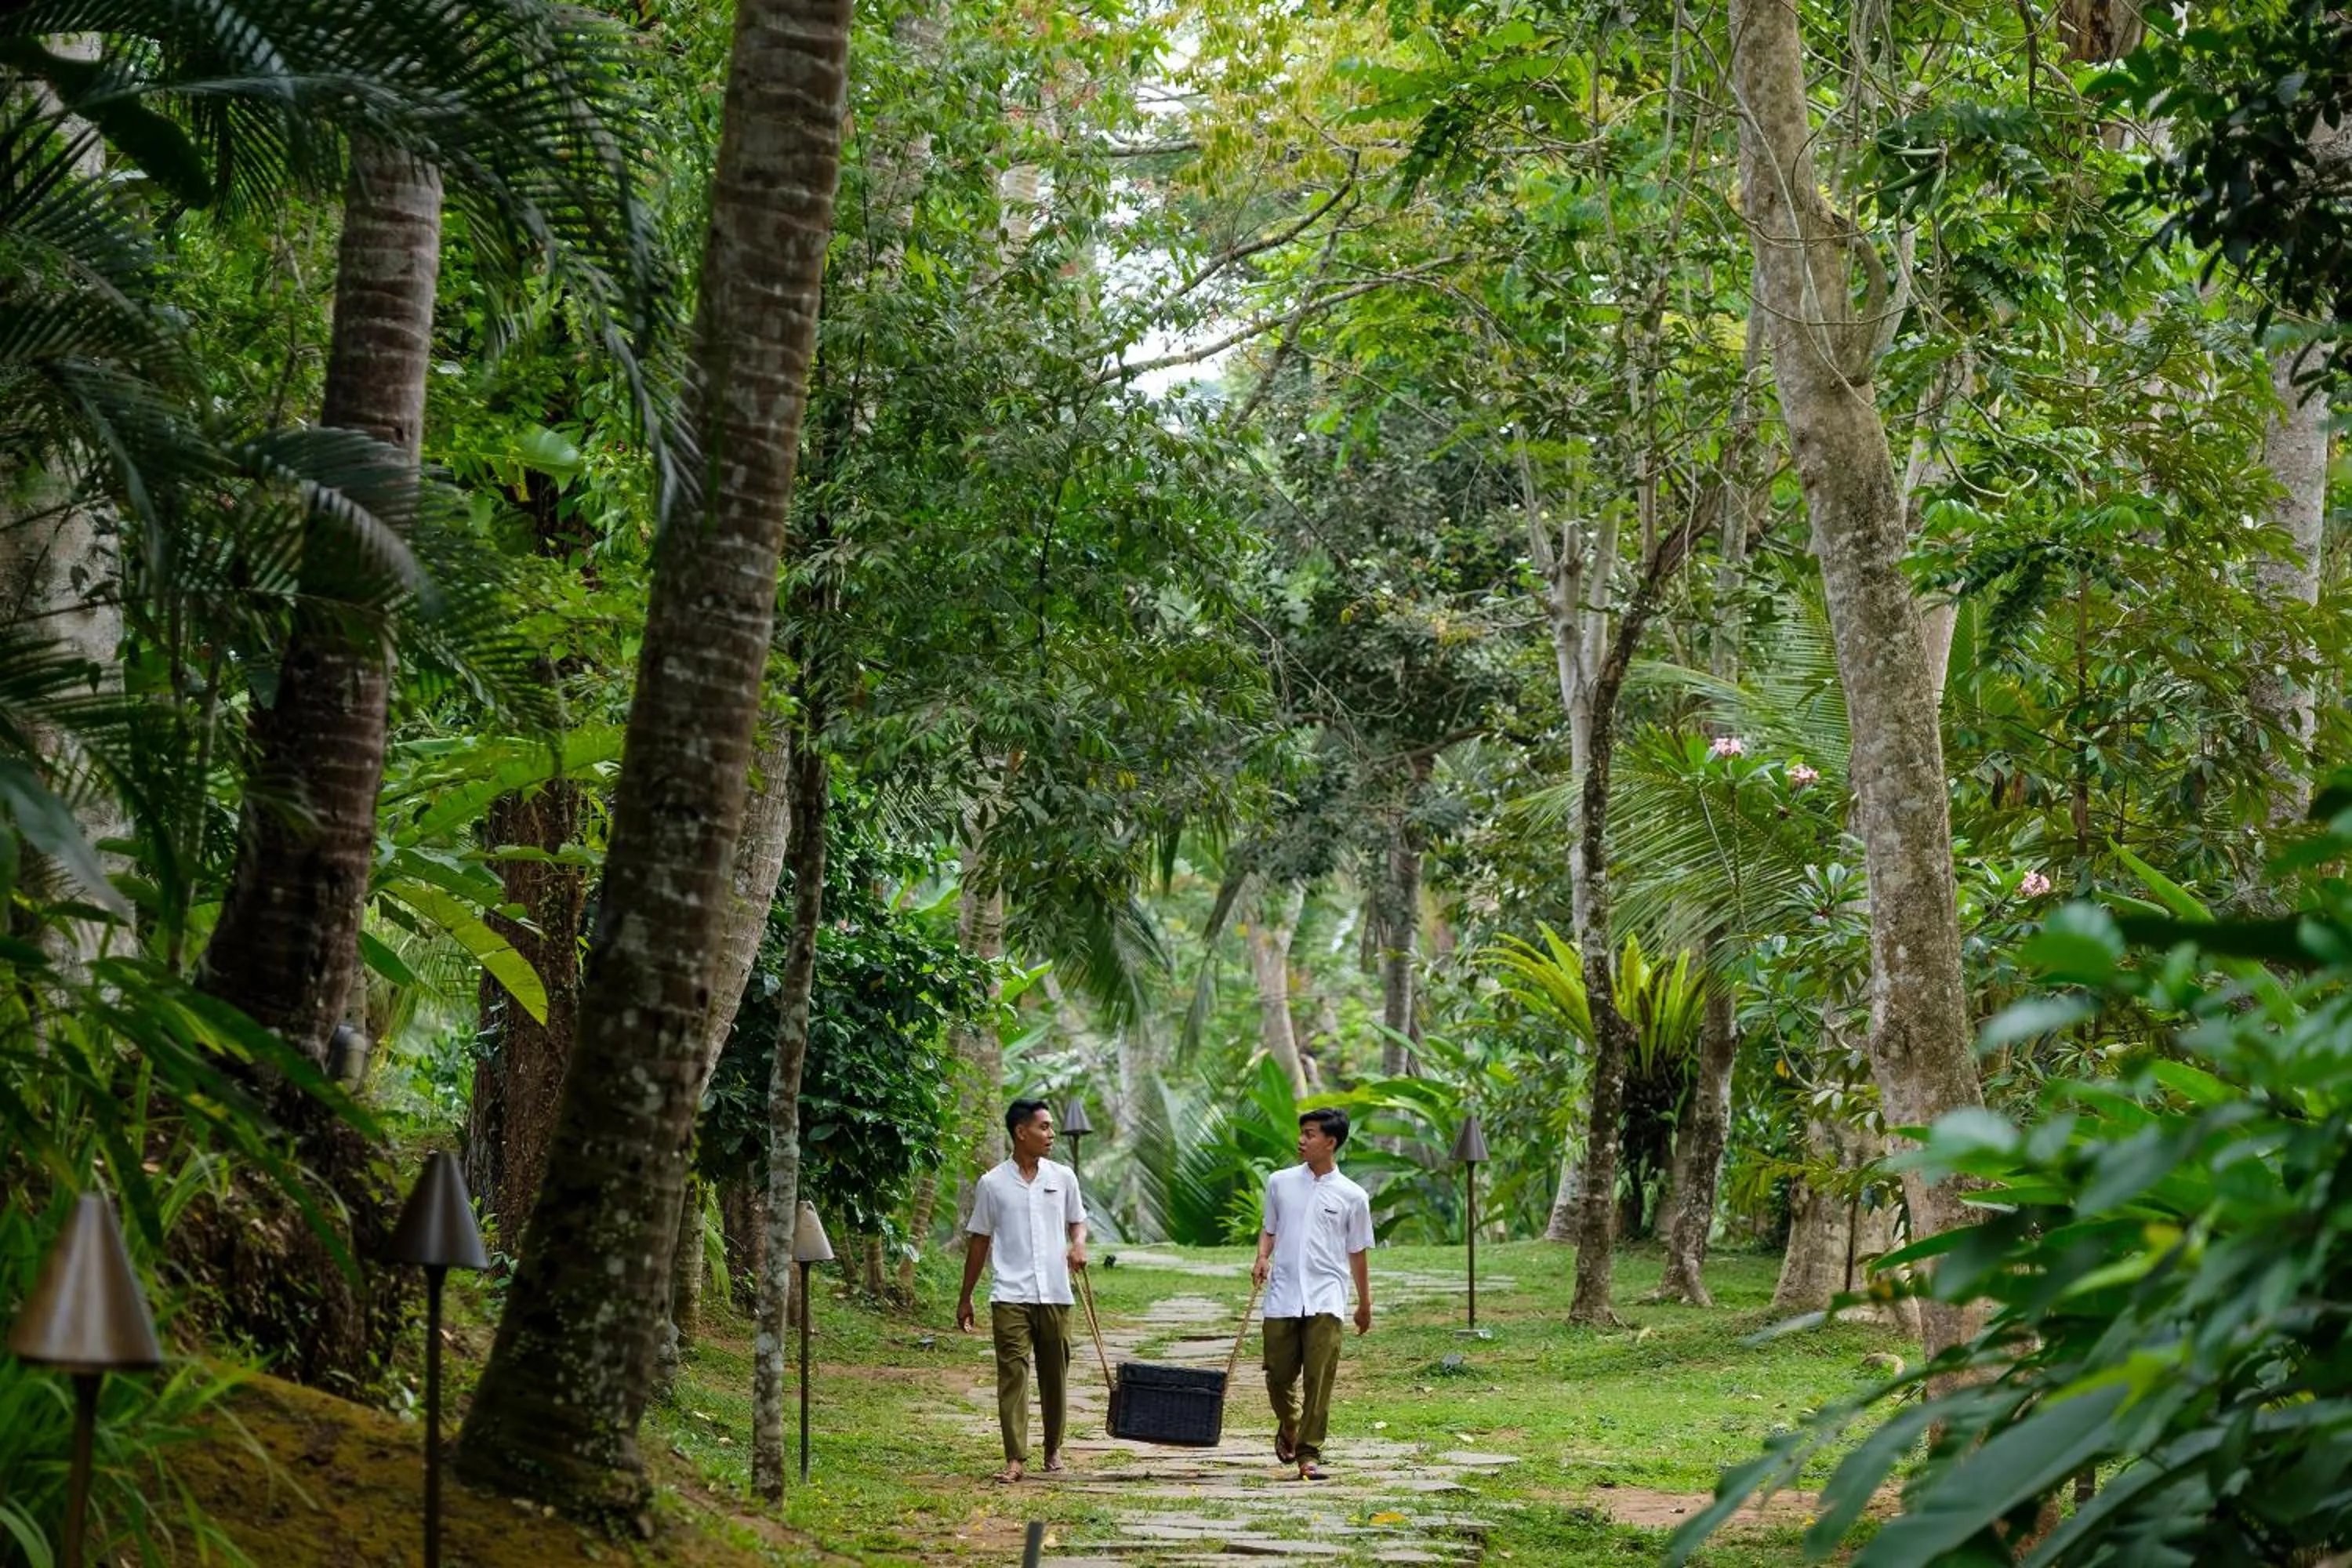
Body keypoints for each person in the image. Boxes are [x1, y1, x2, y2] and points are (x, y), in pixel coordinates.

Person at [957, 1098, 1088, 1483]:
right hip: (1010, 1295)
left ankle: (1053, 1449)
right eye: (1044, 1127)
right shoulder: (992, 1184)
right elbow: (979, 1242)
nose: (1051, 1135)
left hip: (1056, 1294)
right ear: (1021, 1132)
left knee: (1055, 1376)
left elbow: (1077, 1222)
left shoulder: (1063, 1177)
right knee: (1012, 1374)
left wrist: (1078, 1244)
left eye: (1050, 1128)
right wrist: (965, 1297)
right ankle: (1015, 1457)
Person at [1252, 1106, 1374, 1482]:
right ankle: (1290, 1425)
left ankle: (1309, 1452)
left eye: (1310, 1134)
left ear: (1331, 1142)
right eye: (1301, 1133)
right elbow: (1269, 1228)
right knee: (1277, 1373)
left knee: (1319, 1379)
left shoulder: (1353, 1196)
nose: (1301, 1140)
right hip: (1283, 1293)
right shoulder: (1280, 1182)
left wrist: (1364, 1303)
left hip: (1326, 1297)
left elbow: (1357, 1252)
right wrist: (1261, 1256)